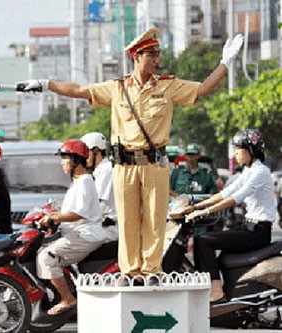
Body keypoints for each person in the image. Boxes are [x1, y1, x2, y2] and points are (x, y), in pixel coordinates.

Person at [20, 28, 244, 279]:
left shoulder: (168, 86)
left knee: (155, 219)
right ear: (136, 56)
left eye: (157, 54)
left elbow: (202, 89)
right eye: (151, 54)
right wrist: (47, 85)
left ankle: (151, 270)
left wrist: (225, 63)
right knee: (126, 220)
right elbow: (80, 90)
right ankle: (130, 271)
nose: (156, 60)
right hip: (124, 165)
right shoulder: (117, 88)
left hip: (154, 164)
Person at [185, 129, 276, 303]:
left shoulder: (260, 172)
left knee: (204, 241)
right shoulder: (248, 171)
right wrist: (195, 206)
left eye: (238, 149)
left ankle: (216, 292)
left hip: (258, 232)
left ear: (250, 150)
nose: (235, 154)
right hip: (249, 227)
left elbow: (236, 198)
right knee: (212, 248)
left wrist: (205, 212)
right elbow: (226, 192)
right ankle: (218, 288)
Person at [36, 139, 105, 316]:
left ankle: (67, 298)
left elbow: (79, 214)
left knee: (47, 257)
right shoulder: (78, 182)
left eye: (65, 158)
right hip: (77, 233)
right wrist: (53, 211)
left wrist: (54, 217)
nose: (62, 163)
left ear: (75, 161)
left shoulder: (84, 181)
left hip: (85, 235)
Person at [80, 132, 118, 242]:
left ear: (96, 150)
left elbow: (98, 204)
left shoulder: (106, 169)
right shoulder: (97, 172)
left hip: (110, 228)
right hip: (101, 226)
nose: (83, 158)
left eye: (85, 153)